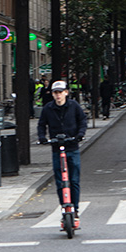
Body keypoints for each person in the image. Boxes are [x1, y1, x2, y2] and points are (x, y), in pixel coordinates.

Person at [37, 80, 88, 227]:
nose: (58, 95)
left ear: (66, 92)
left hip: (72, 146)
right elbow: (41, 124)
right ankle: (64, 208)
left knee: (74, 179)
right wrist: (42, 137)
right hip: (56, 147)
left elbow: (82, 120)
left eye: (60, 92)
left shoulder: (74, 106)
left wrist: (80, 134)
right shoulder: (48, 108)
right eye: (55, 93)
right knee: (60, 182)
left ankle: (75, 209)